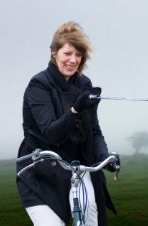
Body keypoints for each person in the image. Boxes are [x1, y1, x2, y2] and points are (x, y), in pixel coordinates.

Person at [16, 21, 118, 226]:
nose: (73, 60)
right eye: (67, 54)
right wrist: (74, 110)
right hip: (41, 171)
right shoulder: (39, 85)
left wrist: (104, 156)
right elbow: (51, 134)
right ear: (54, 52)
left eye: (78, 55)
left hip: (76, 169)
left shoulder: (84, 84)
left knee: (91, 217)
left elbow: (94, 131)